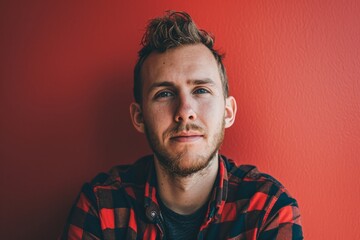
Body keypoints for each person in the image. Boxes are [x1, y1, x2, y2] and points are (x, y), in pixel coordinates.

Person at [60, 11, 303, 240]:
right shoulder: (101, 207)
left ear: (228, 112)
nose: (185, 112)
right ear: (139, 117)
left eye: (201, 90)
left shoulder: (267, 208)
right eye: (164, 94)